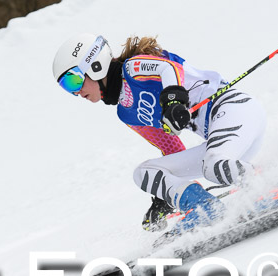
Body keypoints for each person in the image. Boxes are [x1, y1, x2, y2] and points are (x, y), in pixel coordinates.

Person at [52, 33, 267, 232]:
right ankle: (203, 208)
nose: (76, 92)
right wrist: (167, 195)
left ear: (95, 65)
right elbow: (170, 147)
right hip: (224, 147)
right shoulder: (126, 113)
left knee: (214, 164)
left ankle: (268, 187)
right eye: (67, 87)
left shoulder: (133, 68)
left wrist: (174, 100)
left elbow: (169, 68)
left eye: (74, 80)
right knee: (144, 173)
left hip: (234, 109)